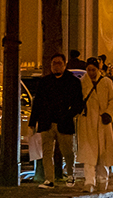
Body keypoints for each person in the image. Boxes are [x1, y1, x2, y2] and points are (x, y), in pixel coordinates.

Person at [31, 53, 84, 187]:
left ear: (65, 64)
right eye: (54, 63)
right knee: (47, 152)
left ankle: (71, 175)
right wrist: (33, 122)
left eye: (59, 63)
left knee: (68, 151)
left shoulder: (72, 82)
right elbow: (38, 103)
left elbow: (78, 103)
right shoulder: (45, 82)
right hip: (47, 122)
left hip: (64, 122)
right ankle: (49, 179)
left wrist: (69, 114)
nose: (56, 66)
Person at [76, 57, 113, 192]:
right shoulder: (82, 83)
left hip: (102, 122)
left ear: (98, 69)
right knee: (89, 154)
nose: (91, 72)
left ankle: (102, 180)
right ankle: (89, 181)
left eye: (93, 70)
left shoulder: (106, 82)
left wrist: (108, 114)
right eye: (88, 70)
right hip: (87, 122)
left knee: (103, 154)